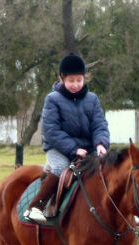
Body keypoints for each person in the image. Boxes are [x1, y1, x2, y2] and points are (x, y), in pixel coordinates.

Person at [24, 53, 110, 224]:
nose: (76, 85)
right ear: (62, 79)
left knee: (109, 168)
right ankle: (35, 207)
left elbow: (99, 125)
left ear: (85, 78)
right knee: (60, 168)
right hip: (58, 148)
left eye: (79, 80)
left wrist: (101, 144)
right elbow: (51, 131)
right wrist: (73, 149)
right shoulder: (52, 99)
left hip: (88, 149)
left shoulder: (92, 99)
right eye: (71, 81)